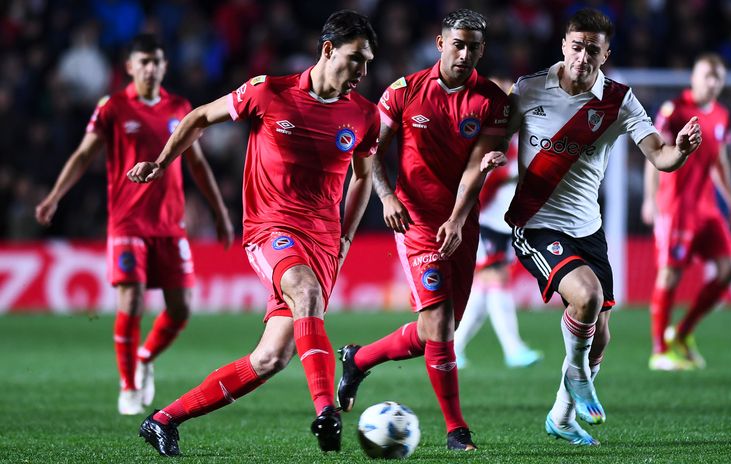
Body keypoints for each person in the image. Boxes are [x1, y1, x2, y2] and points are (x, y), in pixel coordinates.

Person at [128, 11, 379, 456]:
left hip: (323, 241)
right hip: (270, 228)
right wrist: (162, 163)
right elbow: (199, 117)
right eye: (355, 59)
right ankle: (326, 410)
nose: (362, 71)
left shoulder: (363, 115)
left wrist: (345, 237)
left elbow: (362, 177)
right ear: (327, 49)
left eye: (367, 63)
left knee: (270, 359)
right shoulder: (269, 91)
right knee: (304, 292)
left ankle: (163, 419)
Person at [505, 9, 701, 446]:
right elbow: (494, 141)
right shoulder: (528, 89)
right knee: (587, 296)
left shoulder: (619, 100)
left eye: (593, 48)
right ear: (563, 46)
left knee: (601, 339)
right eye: (576, 46)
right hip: (536, 224)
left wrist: (681, 151)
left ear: (605, 53)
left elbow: (661, 156)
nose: (583, 56)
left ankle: (561, 416)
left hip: (587, 229)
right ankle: (576, 375)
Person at [335, 9, 508, 452]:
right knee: (439, 326)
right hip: (415, 222)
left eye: (473, 47)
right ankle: (456, 429)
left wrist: (457, 217)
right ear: (440, 43)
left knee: (438, 330)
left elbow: (474, 169)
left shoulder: (491, 100)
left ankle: (359, 358)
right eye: (458, 44)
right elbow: (370, 149)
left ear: (482, 50)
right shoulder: (404, 91)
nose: (465, 54)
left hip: (461, 224)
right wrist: (387, 197)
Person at [35, 33, 234, 417]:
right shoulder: (111, 108)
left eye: (156, 61)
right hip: (127, 222)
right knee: (132, 299)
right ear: (129, 66)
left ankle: (145, 357)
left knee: (181, 309)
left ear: (164, 65)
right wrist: (54, 195)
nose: (150, 68)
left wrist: (220, 212)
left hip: (170, 224)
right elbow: (82, 155)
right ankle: (127, 386)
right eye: (143, 61)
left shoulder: (180, 106)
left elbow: (197, 165)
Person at [642, 53, 731, 371]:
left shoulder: (721, 116)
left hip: (707, 208)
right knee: (670, 274)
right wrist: (650, 199)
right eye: (707, 76)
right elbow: (655, 154)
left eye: (718, 78)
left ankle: (682, 333)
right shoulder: (675, 111)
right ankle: (659, 351)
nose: (712, 83)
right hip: (677, 206)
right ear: (694, 78)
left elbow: (719, 162)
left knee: (728, 272)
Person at [453, 75, 543, 370]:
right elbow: (478, 177)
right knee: (495, 278)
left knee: (485, 284)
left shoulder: (511, 132)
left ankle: (455, 346)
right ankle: (513, 348)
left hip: (504, 221)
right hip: (487, 218)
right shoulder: (484, 133)